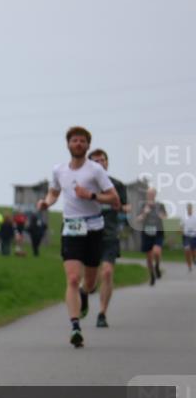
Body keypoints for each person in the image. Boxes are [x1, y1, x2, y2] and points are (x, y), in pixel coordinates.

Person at [37, 127, 120, 348]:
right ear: (68, 144)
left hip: (94, 227)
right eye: (74, 140)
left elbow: (114, 198)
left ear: (88, 145)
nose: (78, 144)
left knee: (91, 282)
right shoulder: (59, 170)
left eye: (82, 141)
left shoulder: (95, 171)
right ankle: (75, 326)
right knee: (73, 278)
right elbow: (54, 191)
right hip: (71, 228)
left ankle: (85, 294)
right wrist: (47, 202)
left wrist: (91, 195)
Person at [86, 149, 130, 327]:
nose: (100, 163)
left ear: (107, 163)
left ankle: (102, 313)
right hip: (88, 234)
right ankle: (88, 288)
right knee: (90, 279)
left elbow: (126, 207)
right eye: (95, 161)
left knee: (107, 272)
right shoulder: (84, 184)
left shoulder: (117, 185)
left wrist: (122, 207)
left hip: (109, 234)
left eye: (103, 160)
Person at [137, 187, 168, 286]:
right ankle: (152, 275)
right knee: (149, 257)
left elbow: (165, 217)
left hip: (158, 232)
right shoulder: (142, 205)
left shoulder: (160, 205)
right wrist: (144, 213)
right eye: (148, 194)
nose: (150, 195)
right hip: (146, 233)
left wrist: (161, 216)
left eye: (152, 194)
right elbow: (138, 219)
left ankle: (157, 266)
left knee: (157, 252)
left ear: (155, 195)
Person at [183, 203, 196, 273]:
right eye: (188, 208)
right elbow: (181, 227)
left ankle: (194, 259)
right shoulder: (184, 217)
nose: (189, 209)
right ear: (187, 209)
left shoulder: (195, 217)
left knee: (193, 251)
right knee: (187, 251)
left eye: (190, 208)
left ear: (192, 209)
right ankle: (189, 266)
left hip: (194, 236)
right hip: (186, 237)